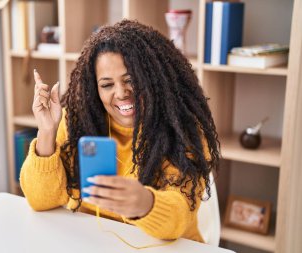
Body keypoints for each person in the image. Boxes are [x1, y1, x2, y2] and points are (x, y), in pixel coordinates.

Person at [20, 19, 220, 243]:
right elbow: (40, 200)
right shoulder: (77, 122)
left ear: (154, 78)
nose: (122, 93)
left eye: (131, 80)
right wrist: (46, 132)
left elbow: (179, 218)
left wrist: (145, 203)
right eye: (107, 85)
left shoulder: (183, 131)